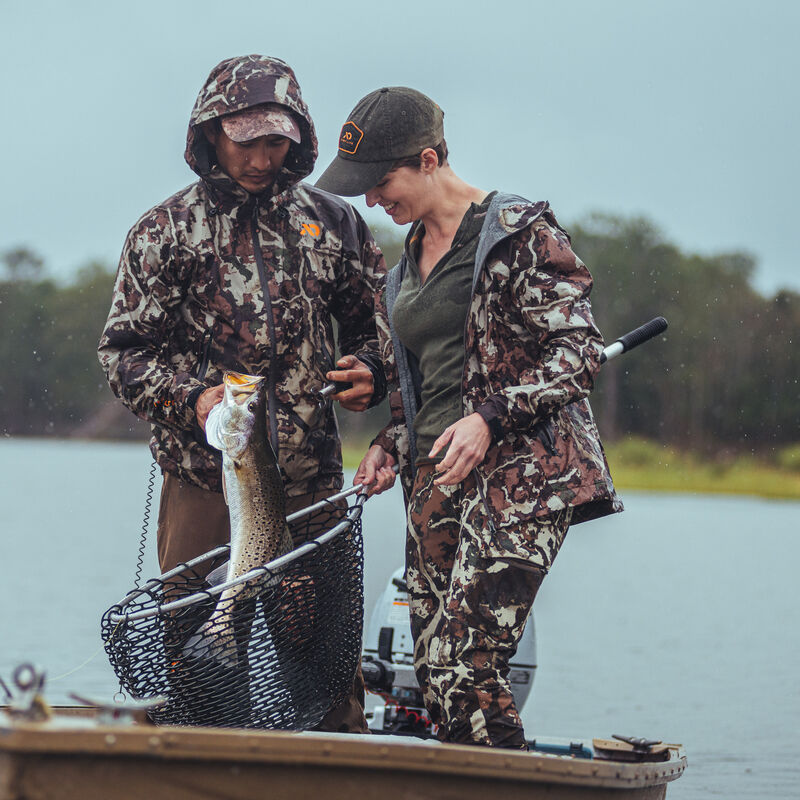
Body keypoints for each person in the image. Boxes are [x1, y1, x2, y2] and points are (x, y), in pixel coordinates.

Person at [316, 87, 623, 749]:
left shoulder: (518, 233)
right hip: (435, 484)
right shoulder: (404, 268)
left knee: (467, 657)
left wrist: (490, 416)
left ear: (429, 159)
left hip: (519, 481)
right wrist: (393, 442)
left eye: (383, 181)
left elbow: (578, 351)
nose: (373, 201)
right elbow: (431, 381)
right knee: (434, 667)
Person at [98, 55, 387, 733]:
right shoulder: (164, 230)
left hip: (314, 485)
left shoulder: (336, 223)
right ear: (212, 132)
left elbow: (384, 325)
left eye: (277, 140)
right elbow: (122, 353)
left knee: (326, 676)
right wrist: (194, 399)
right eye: (247, 138)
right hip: (204, 482)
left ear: (299, 139)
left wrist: (371, 368)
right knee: (195, 669)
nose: (263, 156)